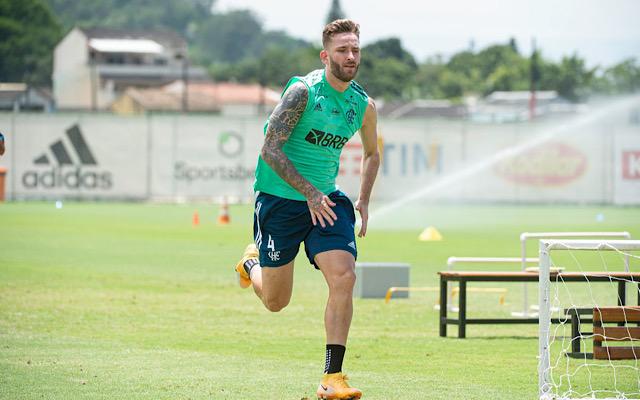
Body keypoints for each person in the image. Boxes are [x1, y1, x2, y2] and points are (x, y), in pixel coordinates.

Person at [234, 19, 379, 400]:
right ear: (325, 55)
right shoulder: (302, 92)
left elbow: (372, 153)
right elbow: (270, 150)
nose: (351, 56)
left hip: (327, 202)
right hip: (281, 201)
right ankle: (251, 264)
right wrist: (308, 193)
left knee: (344, 276)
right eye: (343, 50)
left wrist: (362, 198)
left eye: (356, 50)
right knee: (276, 302)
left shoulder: (362, 104)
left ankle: (332, 377)